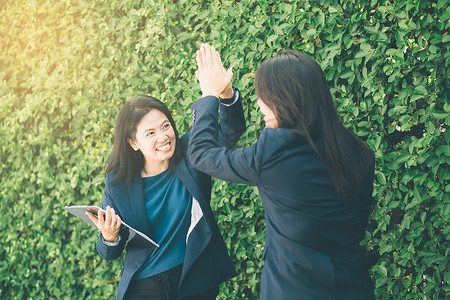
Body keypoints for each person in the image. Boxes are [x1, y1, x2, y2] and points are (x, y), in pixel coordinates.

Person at [188, 44, 376, 300]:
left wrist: (209, 94)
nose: (258, 103)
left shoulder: (275, 151)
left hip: (295, 290)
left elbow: (201, 154)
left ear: (285, 98)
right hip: (352, 287)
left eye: (263, 95)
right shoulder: (361, 153)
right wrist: (227, 95)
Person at [86, 88, 245, 299]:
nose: (163, 137)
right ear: (133, 143)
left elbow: (228, 133)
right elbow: (109, 253)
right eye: (150, 133)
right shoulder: (118, 183)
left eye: (165, 126)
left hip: (193, 277)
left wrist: (226, 96)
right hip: (145, 286)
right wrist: (109, 237)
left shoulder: (191, 151)